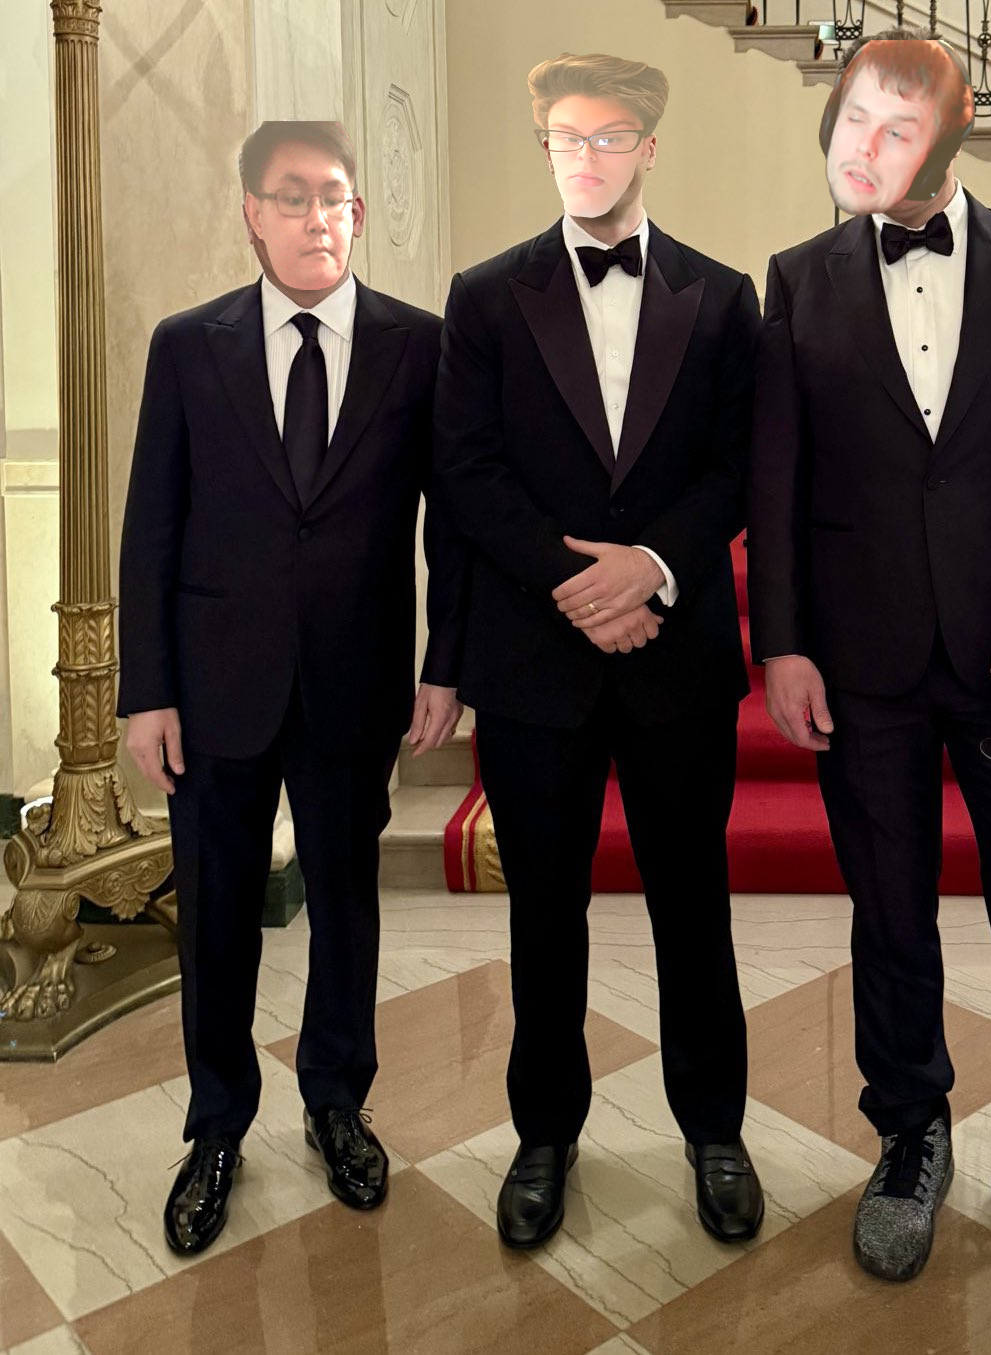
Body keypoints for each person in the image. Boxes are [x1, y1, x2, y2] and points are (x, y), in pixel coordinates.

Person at [749, 30, 991, 1303]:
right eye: (855, 120)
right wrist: (782, 642)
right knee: (890, 909)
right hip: (859, 659)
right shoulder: (796, 278)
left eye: (899, 123)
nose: (867, 143)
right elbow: (778, 478)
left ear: (955, 136)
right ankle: (911, 1134)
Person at [433, 52, 764, 1250]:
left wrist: (654, 566)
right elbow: (465, 469)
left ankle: (714, 1130)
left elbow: (740, 463)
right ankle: (545, 1132)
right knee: (544, 912)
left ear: (649, 149)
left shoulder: (723, 296)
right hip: (538, 656)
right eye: (564, 138)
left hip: (677, 655)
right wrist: (580, 583)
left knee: (694, 905)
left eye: (608, 136)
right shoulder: (485, 296)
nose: (585, 158)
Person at [119, 120, 467, 1255]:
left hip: (352, 681)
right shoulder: (189, 346)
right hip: (213, 687)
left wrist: (444, 662)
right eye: (293, 196)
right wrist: (146, 690)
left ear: (357, 215)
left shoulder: (418, 345)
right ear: (253, 215)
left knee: (347, 904)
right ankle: (217, 1125)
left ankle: (337, 1101)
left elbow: (452, 522)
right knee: (217, 916)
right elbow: (152, 523)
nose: (318, 216)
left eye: (336, 198)